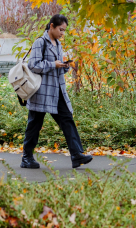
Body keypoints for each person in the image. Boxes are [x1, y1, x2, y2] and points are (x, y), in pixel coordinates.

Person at [21, 14, 93, 169]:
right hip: (41, 92)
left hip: (58, 91)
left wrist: (64, 67)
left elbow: (56, 68)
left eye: (64, 30)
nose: (62, 33)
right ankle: (26, 158)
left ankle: (76, 155)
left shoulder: (58, 44)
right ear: (52, 26)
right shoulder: (40, 42)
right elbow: (33, 65)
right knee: (34, 125)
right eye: (61, 29)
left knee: (67, 120)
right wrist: (53, 64)